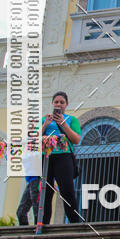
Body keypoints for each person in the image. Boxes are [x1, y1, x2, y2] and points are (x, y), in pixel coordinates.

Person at [40, 92, 82, 225]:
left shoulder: (71, 119)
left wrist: (63, 124)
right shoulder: (44, 119)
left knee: (67, 190)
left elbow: (76, 139)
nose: (59, 104)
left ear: (66, 105)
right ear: (52, 104)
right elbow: (35, 139)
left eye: (62, 102)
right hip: (46, 157)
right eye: (56, 102)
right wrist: (45, 124)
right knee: (45, 192)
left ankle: (74, 223)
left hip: (64, 157)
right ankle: (42, 223)